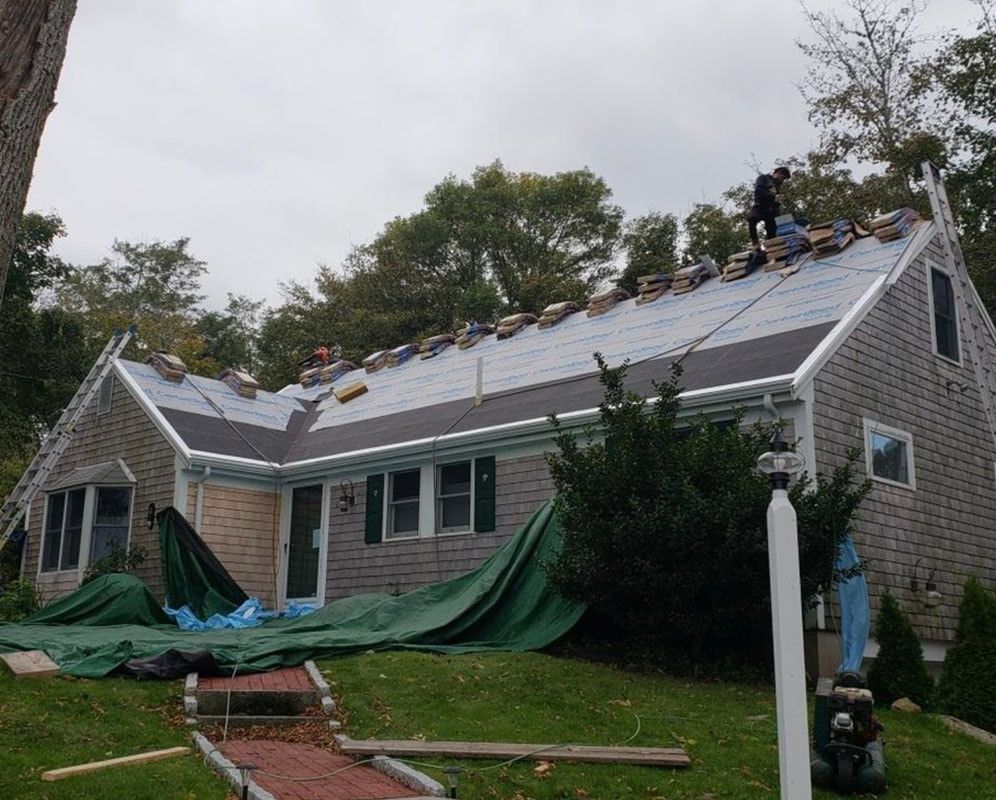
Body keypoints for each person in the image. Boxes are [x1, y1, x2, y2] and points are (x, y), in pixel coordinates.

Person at [747, 166, 791, 247]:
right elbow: (758, 190)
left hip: (771, 211)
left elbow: (776, 201)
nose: (782, 180)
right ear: (778, 173)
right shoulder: (764, 178)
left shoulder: (777, 187)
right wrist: (773, 197)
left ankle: (771, 248)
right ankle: (755, 243)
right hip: (760, 206)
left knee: (772, 233)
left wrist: (778, 201)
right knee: (752, 220)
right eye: (783, 177)